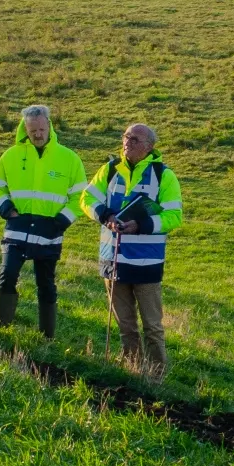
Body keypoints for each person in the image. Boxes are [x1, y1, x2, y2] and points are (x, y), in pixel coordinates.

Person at [83, 123, 183, 380]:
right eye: (126, 136)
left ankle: (157, 378)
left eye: (135, 139)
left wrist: (142, 225)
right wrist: (106, 216)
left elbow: (174, 216)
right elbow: (87, 199)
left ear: (149, 146)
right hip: (113, 260)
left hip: (146, 263)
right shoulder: (109, 169)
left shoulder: (164, 175)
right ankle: (132, 371)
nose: (127, 141)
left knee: (152, 327)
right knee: (125, 325)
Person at [0, 104, 86, 337]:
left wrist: (62, 221)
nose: (38, 135)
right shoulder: (10, 156)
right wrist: (7, 210)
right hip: (16, 230)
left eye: (42, 129)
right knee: (7, 276)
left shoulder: (69, 159)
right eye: (33, 131)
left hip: (49, 232)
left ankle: (47, 336)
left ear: (49, 126)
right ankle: (1, 329)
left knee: (46, 284)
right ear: (25, 129)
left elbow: (80, 196)